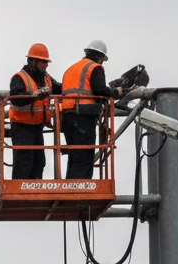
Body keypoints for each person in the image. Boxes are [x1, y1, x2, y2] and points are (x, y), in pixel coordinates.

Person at [61, 40, 124, 179]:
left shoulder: (71, 69)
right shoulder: (95, 67)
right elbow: (99, 90)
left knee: (75, 155)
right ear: (100, 56)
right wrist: (115, 92)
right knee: (84, 155)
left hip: (66, 118)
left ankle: (70, 187)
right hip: (82, 117)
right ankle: (79, 190)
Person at [9, 43, 61, 179]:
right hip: (22, 127)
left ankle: (35, 192)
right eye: (43, 62)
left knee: (39, 162)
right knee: (24, 162)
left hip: (37, 127)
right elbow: (15, 98)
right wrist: (36, 94)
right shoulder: (19, 78)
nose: (46, 65)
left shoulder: (46, 78)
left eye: (46, 62)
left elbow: (60, 88)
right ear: (33, 61)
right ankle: (20, 194)